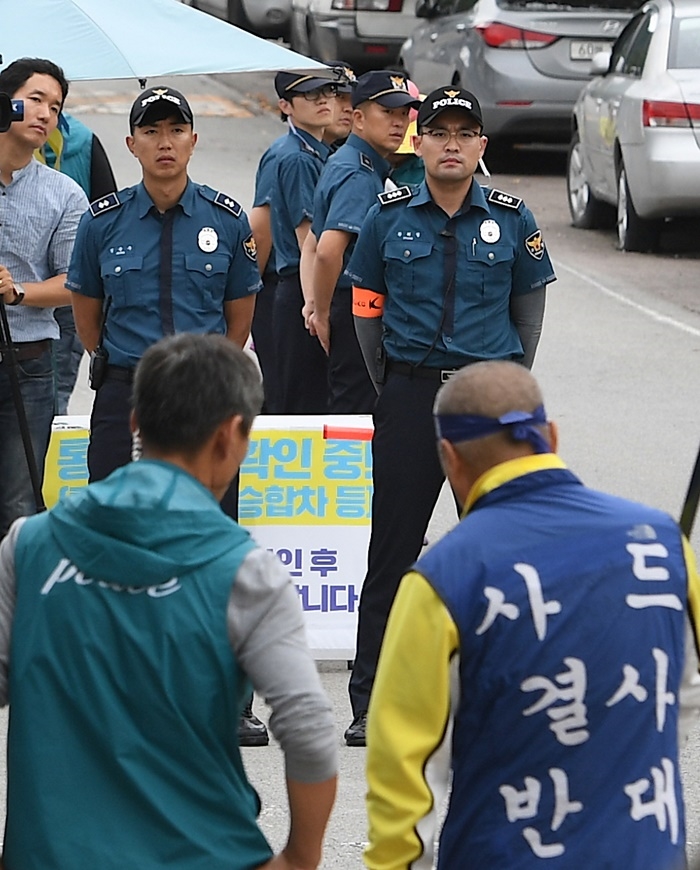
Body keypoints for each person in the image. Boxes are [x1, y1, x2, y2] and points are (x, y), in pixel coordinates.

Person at [0, 332, 338, 870]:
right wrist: (300, 859)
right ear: (231, 437)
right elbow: (312, 733)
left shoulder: (29, 545)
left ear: (135, 422)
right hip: (204, 853)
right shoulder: (245, 572)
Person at [364, 359, 700, 868]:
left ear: (448, 458)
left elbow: (406, 768)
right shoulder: (663, 543)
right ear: (553, 437)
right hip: (645, 850)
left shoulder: (442, 576)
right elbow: (682, 695)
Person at [345, 86, 556, 745]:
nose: (453, 144)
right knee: (392, 548)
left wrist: (505, 388)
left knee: (500, 552)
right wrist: (396, 388)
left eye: (466, 133)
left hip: (487, 405)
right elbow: (367, 312)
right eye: (439, 132)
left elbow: (529, 316)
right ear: (421, 141)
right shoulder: (388, 216)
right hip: (409, 397)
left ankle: (505, 694)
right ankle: (370, 699)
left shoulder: (513, 218)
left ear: (482, 146)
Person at [67, 85, 265, 745]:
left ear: (192, 139)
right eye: (150, 131)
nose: (164, 141)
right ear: (130, 144)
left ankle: (227, 697)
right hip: (125, 393)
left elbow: (239, 318)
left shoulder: (228, 218)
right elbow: (88, 317)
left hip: (207, 398)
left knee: (212, 544)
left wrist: (198, 378)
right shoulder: (102, 222)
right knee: (116, 539)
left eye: (176, 128)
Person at [0, 57, 89, 540]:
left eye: (54, 107)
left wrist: (17, 293)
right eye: (35, 99)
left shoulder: (65, 194)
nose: (45, 114)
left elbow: (72, 283)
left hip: (29, 364)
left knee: (19, 501)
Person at [303, 70, 420, 414]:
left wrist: (312, 302)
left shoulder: (350, 161)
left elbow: (312, 242)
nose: (398, 122)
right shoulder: (358, 174)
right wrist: (321, 313)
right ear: (358, 118)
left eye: (403, 114)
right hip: (353, 307)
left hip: (344, 304)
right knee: (357, 411)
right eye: (387, 112)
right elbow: (326, 251)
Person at [36, 111, 117, 415]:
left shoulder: (82, 141)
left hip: (65, 298)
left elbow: (109, 220)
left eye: (52, 103)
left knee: (49, 404)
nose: (42, 112)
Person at [269, 72, 337, 414]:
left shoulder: (315, 151)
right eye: (311, 95)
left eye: (328, 91)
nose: (324, 100)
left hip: (304, 288)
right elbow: (309, 240)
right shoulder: (298, 158)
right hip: (304, 287)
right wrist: (315, 307)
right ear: (286, 106)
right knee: (304, 407)